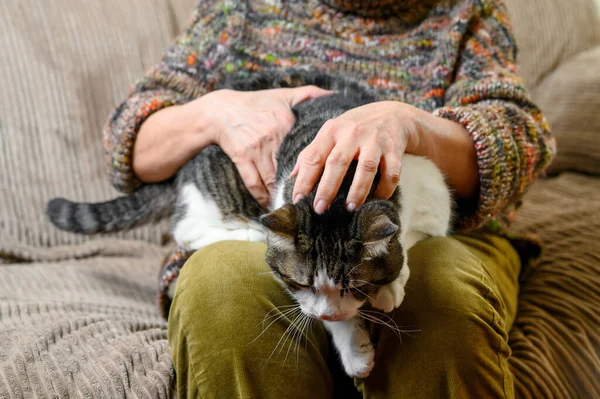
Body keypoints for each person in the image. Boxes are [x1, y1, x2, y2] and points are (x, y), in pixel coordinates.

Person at [103, 0, 555, 397]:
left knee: (442, 303)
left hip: (427, 231)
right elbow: (130, 139)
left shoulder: (467, 9)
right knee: (222, 295)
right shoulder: (238, 9)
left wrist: (411, 126)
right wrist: (215, 113)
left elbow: (523, 142)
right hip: (283, 234)